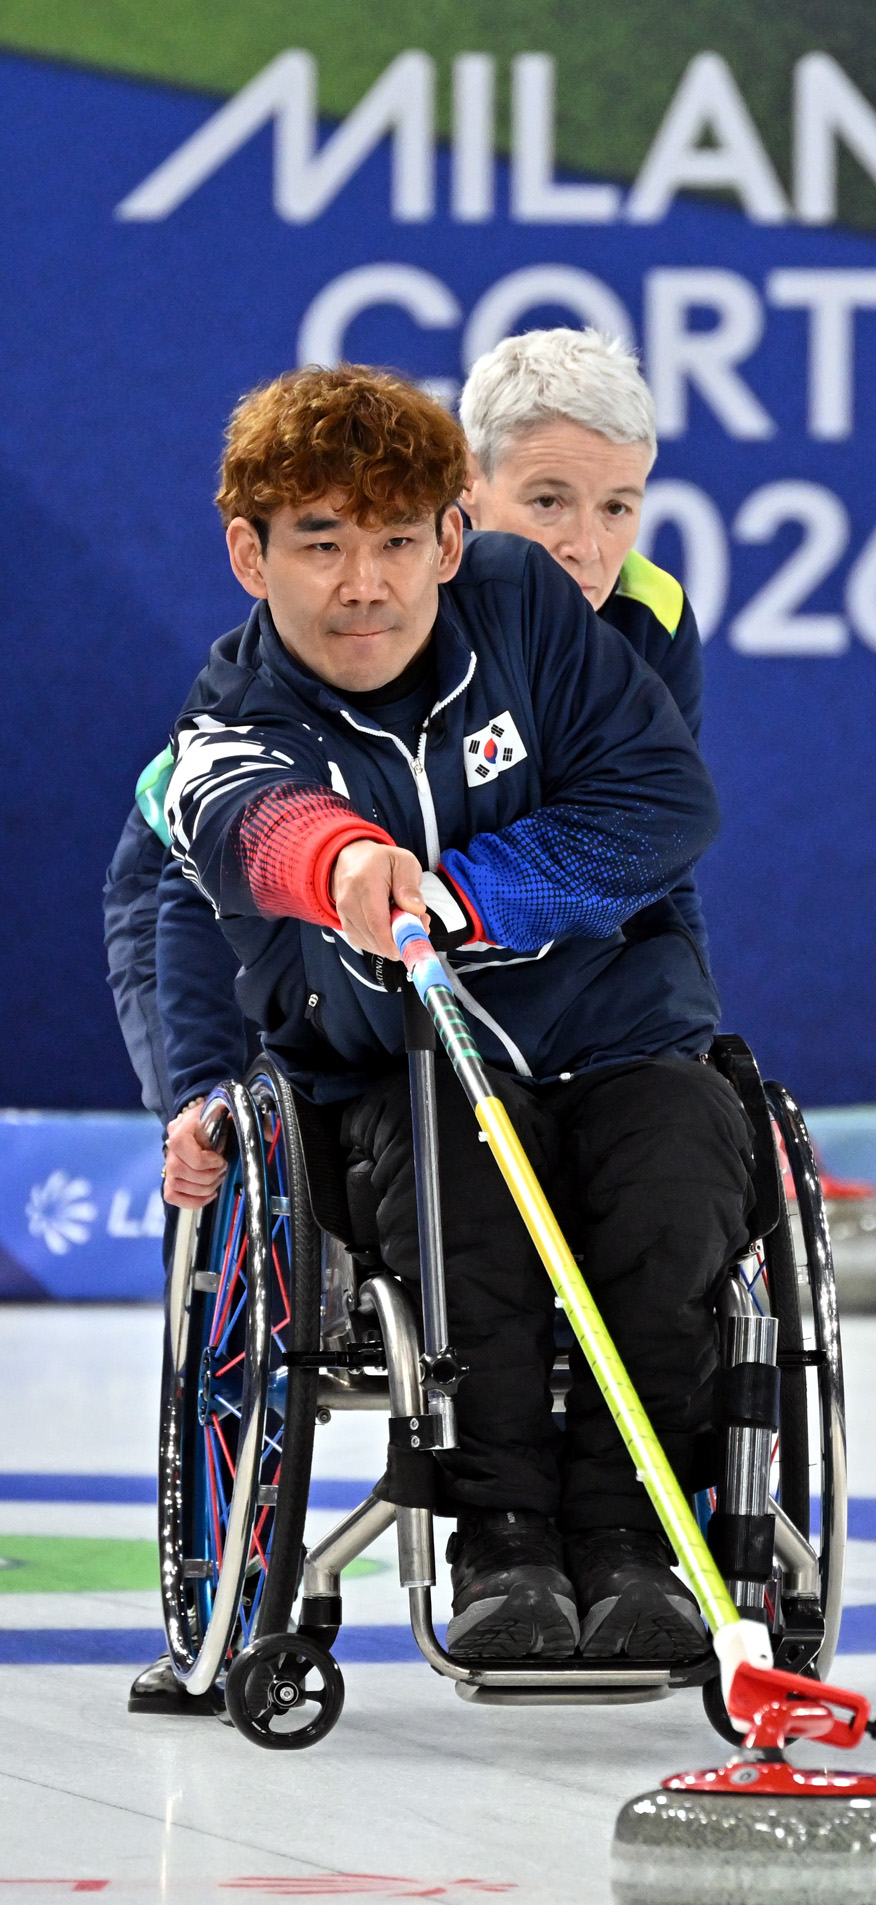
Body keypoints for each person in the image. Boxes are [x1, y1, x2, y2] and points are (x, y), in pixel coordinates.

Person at [159, 362, 753, 1665]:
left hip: (607, 1028)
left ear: (447, 539)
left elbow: (662, 805)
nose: (362, 583)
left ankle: (632, 1541)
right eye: (323, 544)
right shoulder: (231, 710)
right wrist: (334, 875)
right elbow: (228, 825)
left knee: (679, 1165)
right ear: (253, 557)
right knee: (461, 1176)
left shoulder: (532, 607)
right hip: (396, 1063)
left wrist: (467, 894)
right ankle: (503, 1542)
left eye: (392, 543)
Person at [103, 327, 708, 1127]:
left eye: (617, 507)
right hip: (210, 885)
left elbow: (645, 851)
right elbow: (201, 878)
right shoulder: (339, 633)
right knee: (232, 1124)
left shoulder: (644, 613)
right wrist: (203, 1091)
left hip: (441, 934)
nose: (584, 548)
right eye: (547, 502)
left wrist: (691, 1053)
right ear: (465, 495)